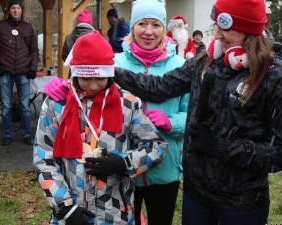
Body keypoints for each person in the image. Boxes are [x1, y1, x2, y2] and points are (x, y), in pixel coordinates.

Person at [109, 0, 282, 224]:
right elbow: (159, 87)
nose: (217, 36)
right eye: (216, 27)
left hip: (241, 203)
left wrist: (219, 147)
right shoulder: (208, 59)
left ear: (249, 31)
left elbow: (281, 152)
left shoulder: (278, 77)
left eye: (225, 29)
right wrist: (105, 70)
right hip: (196, 196)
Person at [43, 1, 189, 224]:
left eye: (156, 24)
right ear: (132, 27)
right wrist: (61, 86)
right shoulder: (115, 61)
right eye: (142, 23)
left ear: (163, 28)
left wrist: (171, 123)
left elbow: (193, 115)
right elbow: (86, 71)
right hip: (114, 179)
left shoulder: (181, 66)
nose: (148, 31)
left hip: (160, 170)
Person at [0, 0, 39, 146]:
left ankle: (27, 134)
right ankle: (7, 134)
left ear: (22, 10)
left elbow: (34, 50)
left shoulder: (28, 28)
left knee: (25, 106)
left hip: (23, 71)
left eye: (18, 8)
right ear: (8, 10)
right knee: (6, 106)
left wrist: (33, 67)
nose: (15, 11)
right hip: (4, 71)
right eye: (13, 8)